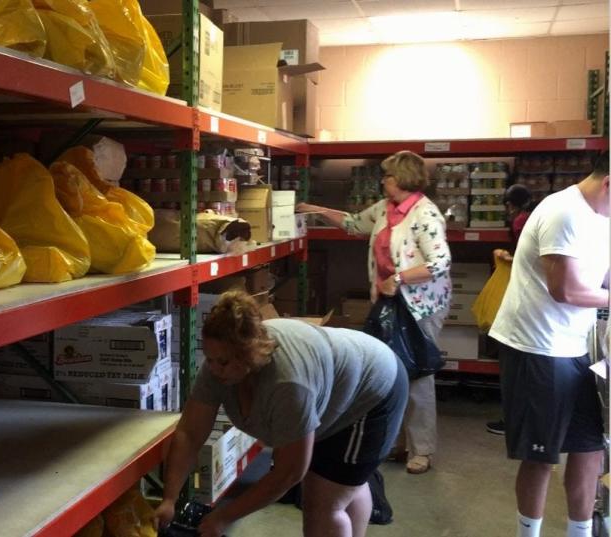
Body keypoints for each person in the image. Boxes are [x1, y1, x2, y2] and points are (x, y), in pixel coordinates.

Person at [153, 291, 408, 537]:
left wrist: (224, 517)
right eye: (210, 359)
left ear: (249, 355)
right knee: (343, 483)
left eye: (223, 362)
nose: (215, 369)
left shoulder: (287, 384)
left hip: (373, 390)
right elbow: (189, 434)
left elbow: (290, 472)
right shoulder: (217, 367)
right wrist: (169, 498)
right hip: (335, 386)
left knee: (322, 505)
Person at [297, 150, 452, 474]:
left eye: (388, 176)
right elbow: (354, 224)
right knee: (391, 370)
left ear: (405, 178)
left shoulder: (425, 214)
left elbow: (439, 262)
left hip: (419, 306)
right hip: (390, 303)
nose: (383, 181)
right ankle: (397, 441)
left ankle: (422, 449)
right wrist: (318, 210)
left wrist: (398, 278)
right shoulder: (386, 209)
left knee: (417, 374)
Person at [488, 151, 609, 537]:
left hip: (575, 347)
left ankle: (580, 532)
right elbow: (566, 289)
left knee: (590, 448)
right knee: (541, 455)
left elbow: (602, 280)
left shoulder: (603, 218)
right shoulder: (564, 212)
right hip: (535, 346)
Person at [485, 183, 533, 435]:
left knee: (515, 366)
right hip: (531, 304)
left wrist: (507, 257)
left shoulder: (520, 221)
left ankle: (513, 421)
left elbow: (528, 258)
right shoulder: (531, 217)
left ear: (510, 204)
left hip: (523, 301)